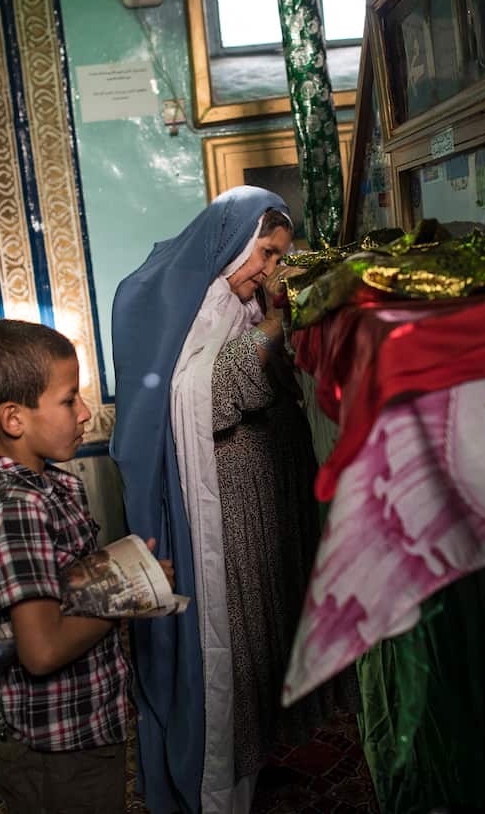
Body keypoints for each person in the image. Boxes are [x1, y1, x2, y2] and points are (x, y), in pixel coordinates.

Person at [111, 186, 358, 814]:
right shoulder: (183, 301)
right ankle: (223, 785)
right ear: (235, 244)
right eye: (266, 254)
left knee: (263, 646)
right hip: (222, 518)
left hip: (262, 505)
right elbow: (213, 394)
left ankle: (252, 765)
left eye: (280, 258)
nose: (271, 270)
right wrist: (283, 323)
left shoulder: (234, 302)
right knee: (235, 654)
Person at [0, 319, 171, 814]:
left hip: (82, 727)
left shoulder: (47, 486)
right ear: (14, 419)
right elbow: (42, 650)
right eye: (69, 399)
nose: (85, 412)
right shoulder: (17, 507)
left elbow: (61, 582)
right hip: (58, 751)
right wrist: (131, 595)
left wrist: (123, 566)